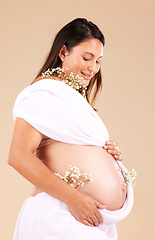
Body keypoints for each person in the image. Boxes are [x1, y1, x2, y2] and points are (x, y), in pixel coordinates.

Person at [8, 18, 136, 240]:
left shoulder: (73, 98)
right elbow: (18, 156)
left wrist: (110, 156)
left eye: (98, 61)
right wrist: (74, 199)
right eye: (86, 58)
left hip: (85, 219)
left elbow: (70, 147)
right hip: (60, 214)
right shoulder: (42, 94)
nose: (93, 68)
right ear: (63, 52)